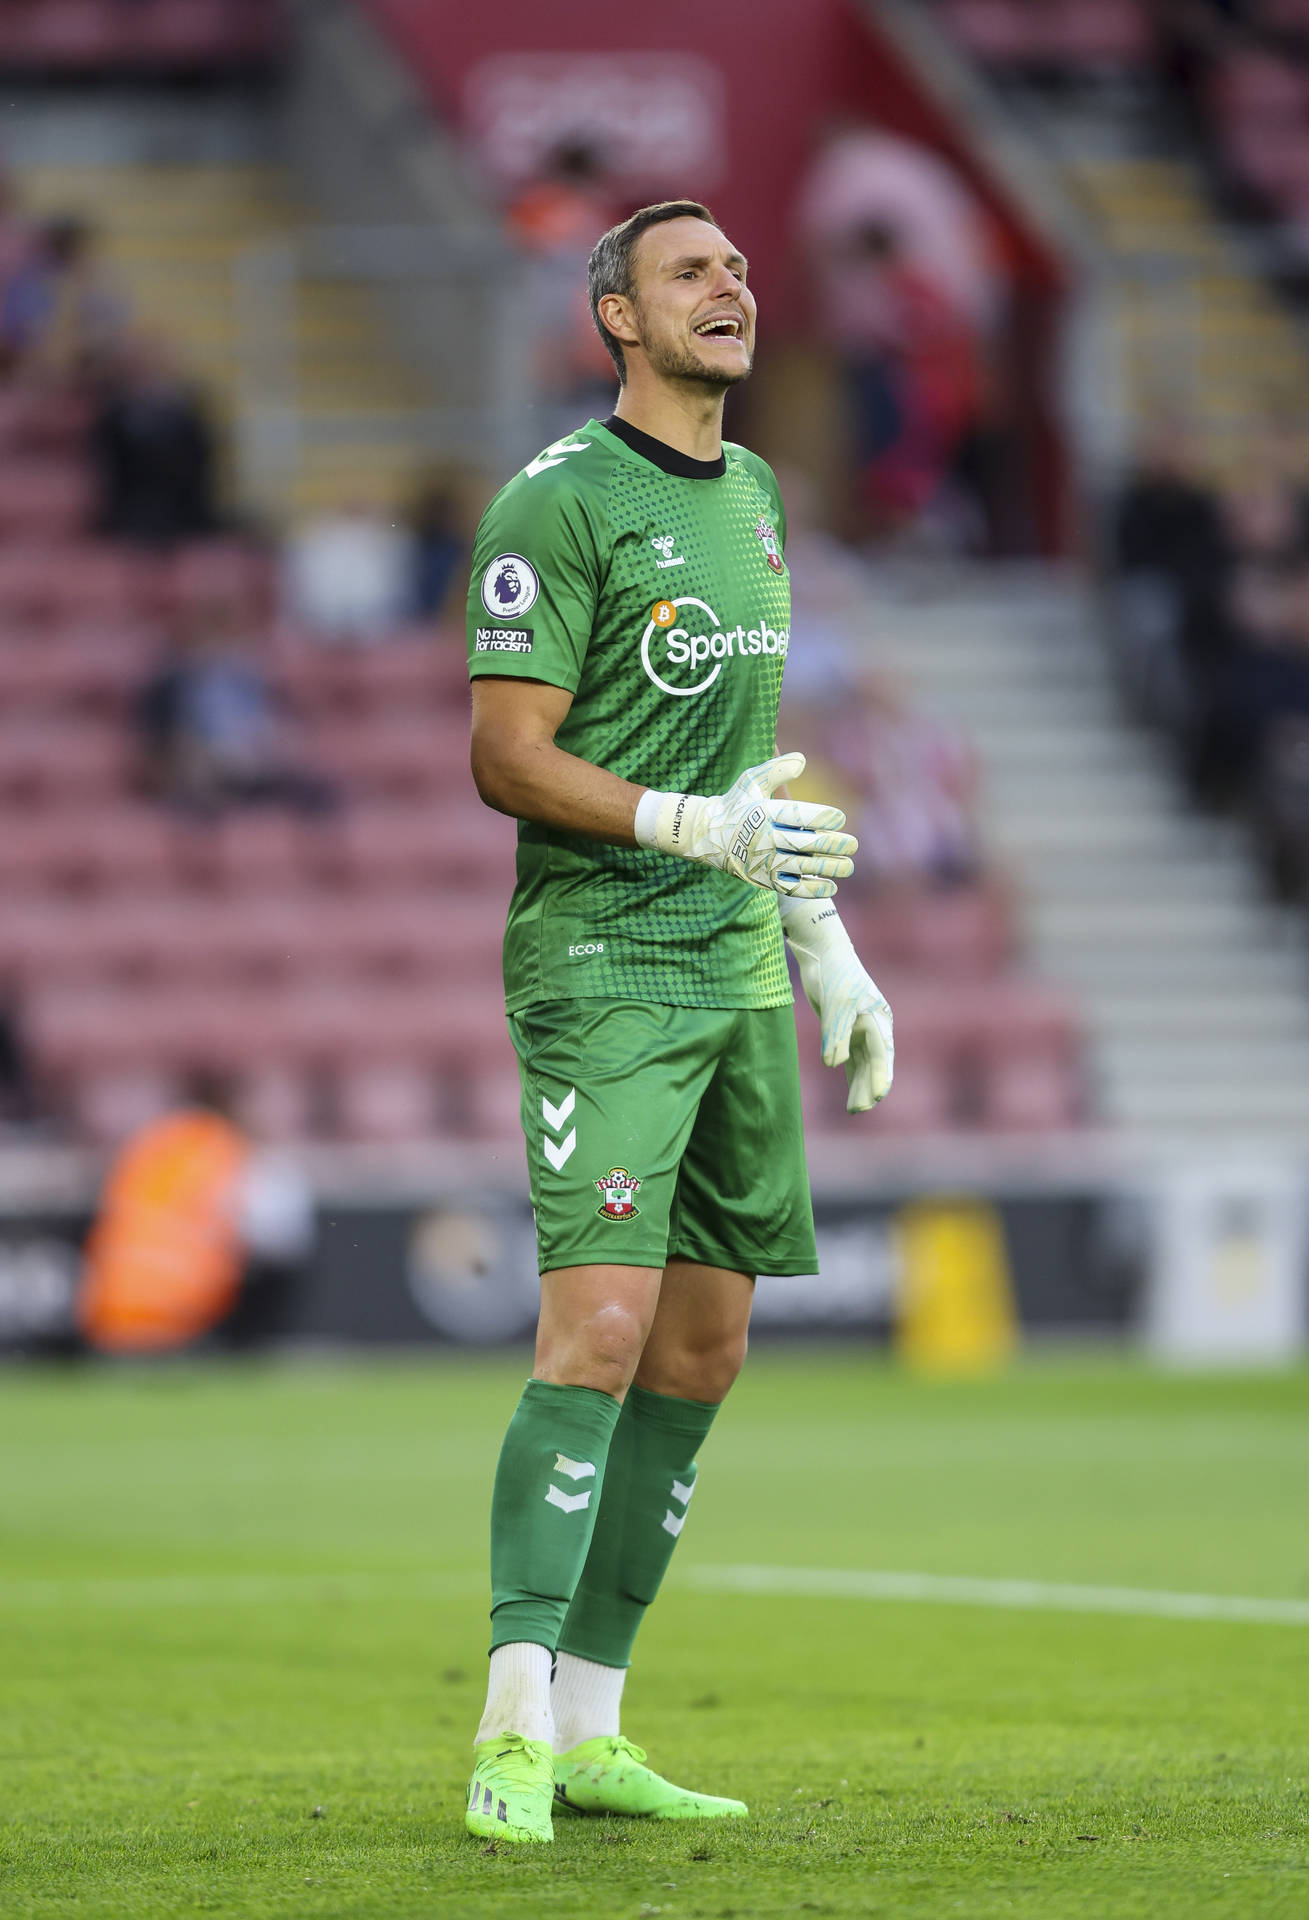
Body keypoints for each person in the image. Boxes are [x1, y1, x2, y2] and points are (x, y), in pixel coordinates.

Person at [462, 200, 895, 1844]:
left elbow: (755, 783)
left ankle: (592, 1728)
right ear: (616, 320)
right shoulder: (554, 503)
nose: (731, 285)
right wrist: (677, 829)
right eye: (688, 272)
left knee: (705, 1352)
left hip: (732, 971)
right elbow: (506, 757)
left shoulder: (766, 497)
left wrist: (823, 940)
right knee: (599, 1335)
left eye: (735, 265)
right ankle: (504, 1725)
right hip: (601, 972)